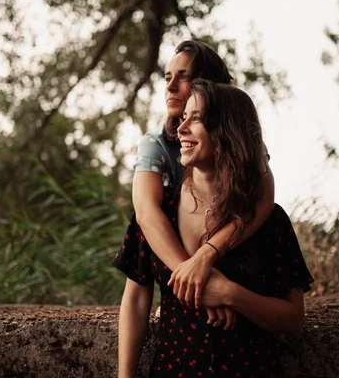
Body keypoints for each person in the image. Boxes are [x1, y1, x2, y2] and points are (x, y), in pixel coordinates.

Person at [113, 79, 314, 377]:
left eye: (196, 119)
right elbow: (136, 299)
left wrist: (231, 294)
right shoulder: (159, 214)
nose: (180, 129)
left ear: (227, 132)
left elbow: (293, 318)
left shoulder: (270, 221)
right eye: (184, 119)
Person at [126, 40, 276, 327]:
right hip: (181, 254)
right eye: (168, 77)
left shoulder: (244, 140)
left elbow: (263, 200)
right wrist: (194, 280)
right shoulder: (156, 143)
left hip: (231, 255)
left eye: (183, 77)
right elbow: (146, 213)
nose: (169, 87)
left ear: (209, 86)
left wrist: (208, 256)